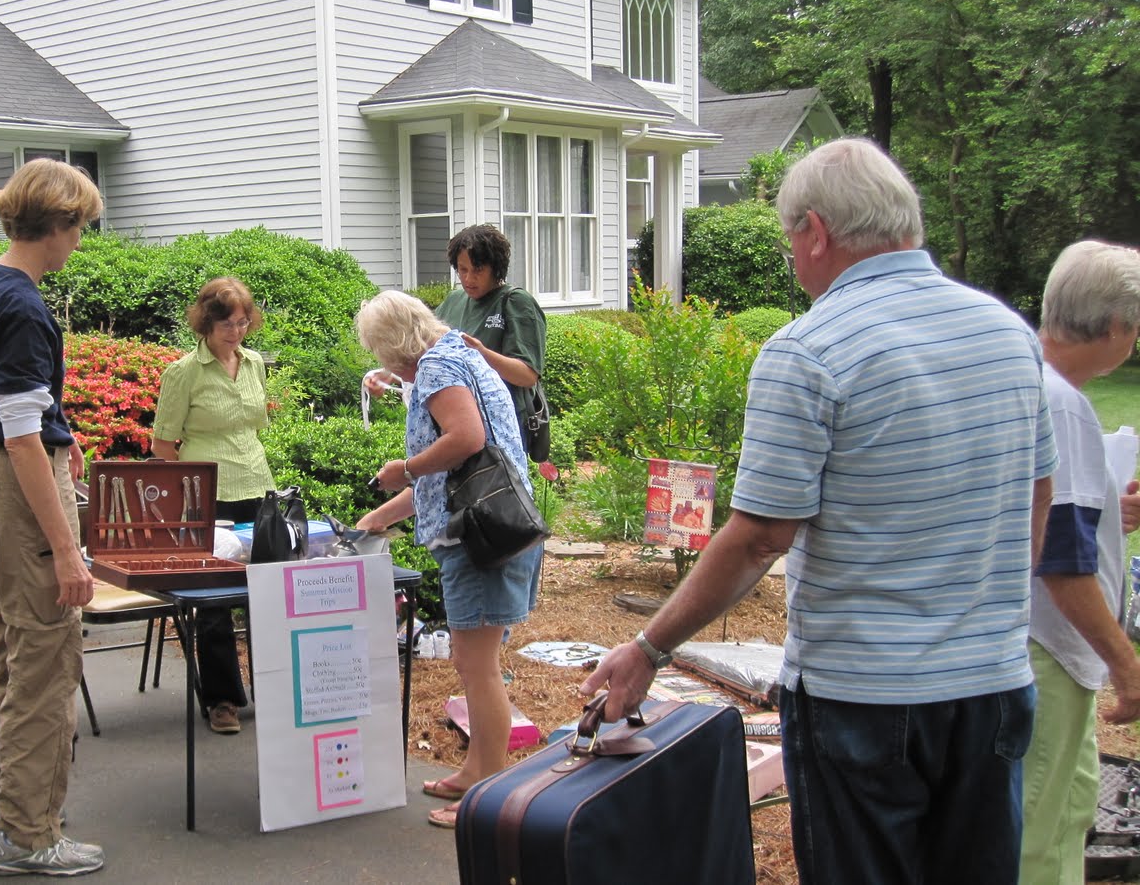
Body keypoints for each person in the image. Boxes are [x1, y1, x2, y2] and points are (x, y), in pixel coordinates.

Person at [578, 137, 1057, 884]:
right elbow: (1037, 490)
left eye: (787, 239)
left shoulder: (808, 349)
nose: (791, 260)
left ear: (816, 232)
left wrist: (648, 648)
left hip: (864, 700)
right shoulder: (1007, 333)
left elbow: (760, 538)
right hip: (992, 685)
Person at [0, 157, 104, 877]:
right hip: (14, 486)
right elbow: (21, 437)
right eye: (80, 226)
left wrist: (54, 440)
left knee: (13, 649)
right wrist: (66, 549)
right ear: (58, 223)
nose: (80, 241)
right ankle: (28, 834)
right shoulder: (26, 308)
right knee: (46, 661)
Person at [354, 289, 544, 830]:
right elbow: (457, 473)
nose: (387, 365)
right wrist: (380, 515)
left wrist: (406, 467)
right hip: (486, 529)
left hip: (478, 541)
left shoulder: (437, 368)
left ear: (395, 343)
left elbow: (465, 440)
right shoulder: (458, 354)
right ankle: (475, 771)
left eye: (382, 351)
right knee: (472, 663)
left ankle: (487, 795)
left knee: (478, 669)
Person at [1021, 240, 1140, 884]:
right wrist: (1126, 663)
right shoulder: (1060, 402)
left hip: (1045, 650)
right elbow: (1062, 561)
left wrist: (1110, 513)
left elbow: (1044, 515)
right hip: (1048, 649)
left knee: (1066, 807)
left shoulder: (1031, 380)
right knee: (1037, 833)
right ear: (1117, 326)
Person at [151, 276, 275, 735]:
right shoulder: (183, 372)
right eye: (227, 324)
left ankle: (274, 688)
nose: (236, 332)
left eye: (243, 323)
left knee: (266, 592)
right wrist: (186, 497)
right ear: (206, 322)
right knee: (215, 599)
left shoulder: (254, 363)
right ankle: (222, 699)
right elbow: (163, 445)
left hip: (257, 484)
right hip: (207, 494)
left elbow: (253, 426)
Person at [367, 225, 546, 456]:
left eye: (478, 270)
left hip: (500, 430)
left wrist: (481, 353)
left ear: (496, 268)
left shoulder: (516, 302)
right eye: (462, 269)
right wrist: (389, 374)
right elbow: (424, 350)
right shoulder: (454, 301)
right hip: (453, 423)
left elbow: (528, 375)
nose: (469, 278)